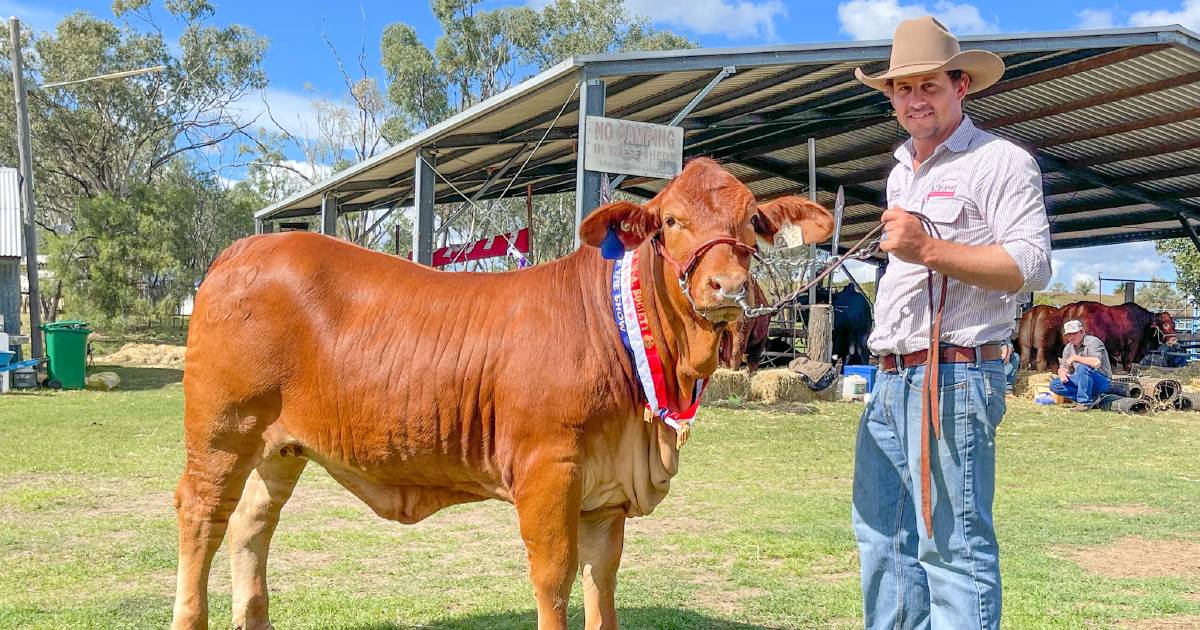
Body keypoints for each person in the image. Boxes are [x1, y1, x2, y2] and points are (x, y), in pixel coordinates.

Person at [849, 16, 1052, 630]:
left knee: (953, 549)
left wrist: (930, 250)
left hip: (954, 377)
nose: (915, 99)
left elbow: (1032, 265)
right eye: (902, 88)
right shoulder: (900, 170)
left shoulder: (1001, 163)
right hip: (888, 379)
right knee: (883, 541)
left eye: (928, 85)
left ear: (961, 85)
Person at [1049, 319, 1112, 411]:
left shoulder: (1094, 342)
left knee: (1082, 368)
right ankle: (1092, 399)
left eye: (1074, 333)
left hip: (1101, 380)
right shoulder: (1068, 347)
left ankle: (1084, 403)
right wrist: (1062, 373)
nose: (1071, 337)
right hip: (1081, 379)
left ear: (1082, 332)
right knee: (1054, 384)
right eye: (1068, 335)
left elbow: (1096, 363)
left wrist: (1076, 358)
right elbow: (1063, 367)